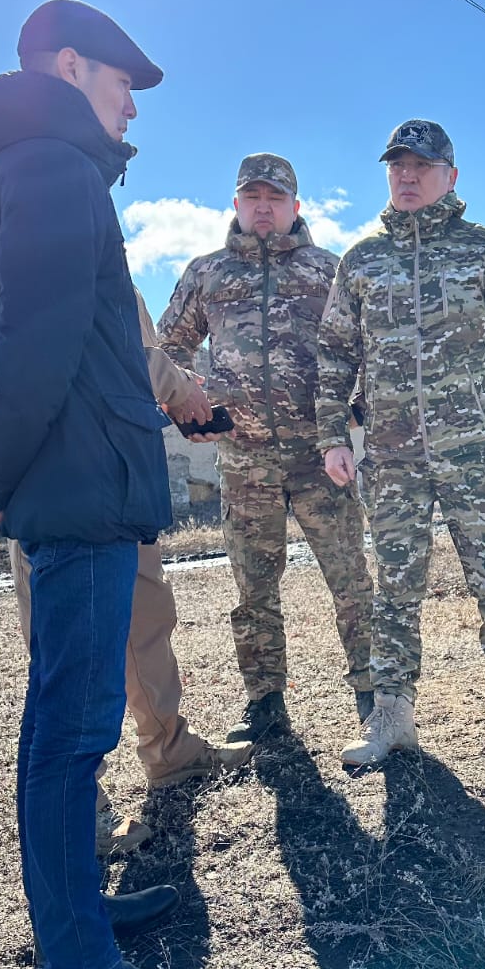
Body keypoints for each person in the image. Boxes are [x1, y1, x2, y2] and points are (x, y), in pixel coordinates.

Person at [0, 0, 210, 969]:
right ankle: (76, 959)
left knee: (71, 720)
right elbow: (36, 346)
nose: (131, 110)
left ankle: (79, 917)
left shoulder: (27, 171)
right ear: (68, 67)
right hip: (76, 494)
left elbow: (15, 340)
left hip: (75, 487)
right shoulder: (55, 170)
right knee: (69, 733)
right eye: (121, 86)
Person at [318, 119, 485, 773]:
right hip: (392, 458)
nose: (407, 176)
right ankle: (391, 714)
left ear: (450, 176)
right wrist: (333, 435)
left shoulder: (483, 249)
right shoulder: (361, 260)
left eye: (421, 166)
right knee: (394, 590)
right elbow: (334, 354)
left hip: (473, 451)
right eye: (397, 165)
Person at [5, 288, 236, 858]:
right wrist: (177, 386)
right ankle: (78, 808)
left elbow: (125, 368)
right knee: (70, 648)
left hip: (121, 480)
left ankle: (169, 748)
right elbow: (94, 354)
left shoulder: (114, 267)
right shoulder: (51, 248)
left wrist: (174, 402)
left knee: (146, 620)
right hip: (58, 484)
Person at [158, 153, 373, 741]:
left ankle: (373, 696)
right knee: (254, 589)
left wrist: (356, 409)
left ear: (295, 207)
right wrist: (182, 405)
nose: (263, 207)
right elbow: (168, 348)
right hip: (243, 458)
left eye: (275, 198)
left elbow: (368, 347)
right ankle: (265, 702)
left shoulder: (328, 270)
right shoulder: (208, 273)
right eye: (252, 196)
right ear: (236, 203)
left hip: (319, 457)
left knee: (351, 579)